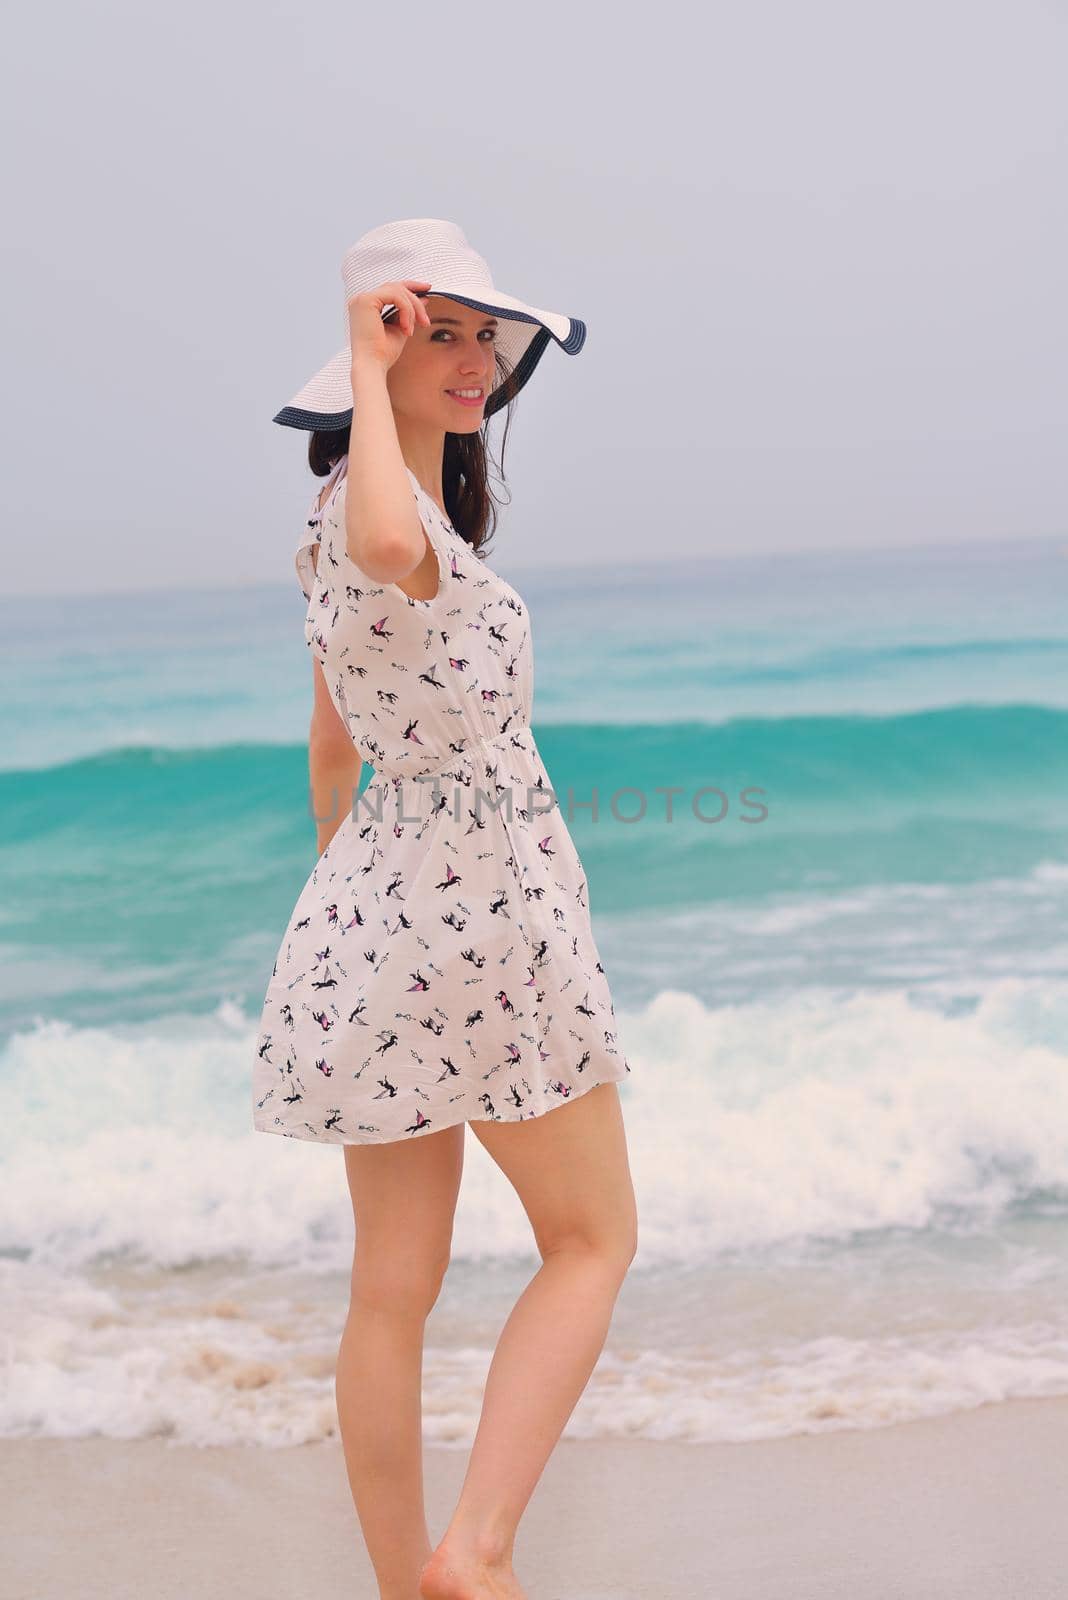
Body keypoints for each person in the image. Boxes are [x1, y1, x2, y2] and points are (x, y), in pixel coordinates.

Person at [253, 219, 638, 1600]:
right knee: (594, 1242)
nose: (476, 362)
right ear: (379, 350)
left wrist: (353, 922)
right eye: (442, 333)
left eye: (489, 338)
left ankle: (397, 1582)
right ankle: (470, 1554)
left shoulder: (337, 535)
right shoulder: (383, 523)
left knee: (389, 1291)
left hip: (374, 920)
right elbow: (382, 534)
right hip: (488, 918)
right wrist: (370, 357)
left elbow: (329, 750)